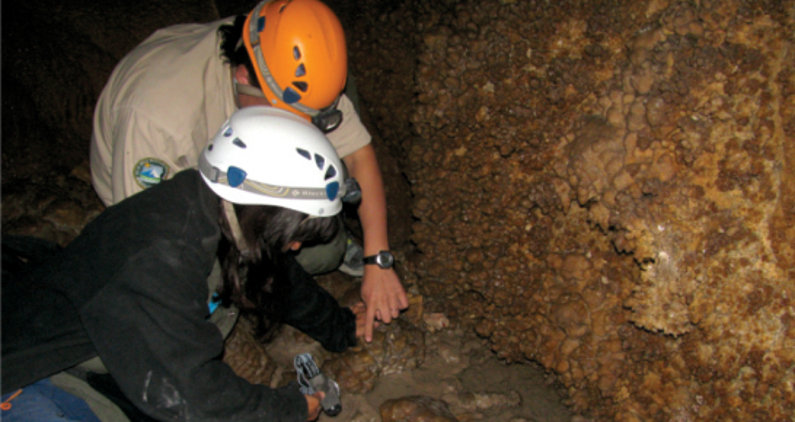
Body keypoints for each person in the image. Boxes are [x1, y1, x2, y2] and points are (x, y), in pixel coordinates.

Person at [3, 107, 366, 421]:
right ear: (264, 213)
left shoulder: (219, 207)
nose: (298, 245)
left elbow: (274, 275)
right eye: (296, 232)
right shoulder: (161, 253)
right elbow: (191, 398)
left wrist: (342, 328)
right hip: (34, 374)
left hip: (108, 362)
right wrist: (288, 409)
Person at [89, 0, 407, 342]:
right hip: (155, 188)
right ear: (243, 78)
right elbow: (149, 258)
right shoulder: (158, 123)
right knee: (219, 277)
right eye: (291, 120)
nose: (302, 132)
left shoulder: (290, 64)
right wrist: (334, 324)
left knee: (326, 247)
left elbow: (358, 153)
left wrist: (379, 260)